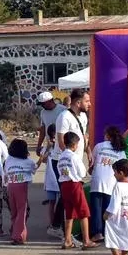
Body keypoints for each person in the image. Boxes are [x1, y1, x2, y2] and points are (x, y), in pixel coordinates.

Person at [50, 89, 90, 234]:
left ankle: (60, 228)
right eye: (87, 101)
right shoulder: (64, 117)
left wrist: (88, 152)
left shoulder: (83, 116)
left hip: (75, 160)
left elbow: (84, 136)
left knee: (68, 194)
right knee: (67, 193)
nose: (89, 104)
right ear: (78, 103)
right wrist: (68, 158)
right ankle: (58, 227)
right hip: (63, 160)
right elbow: (61, 140)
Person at [88, 126, 127, 244]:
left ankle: (97, 233)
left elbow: (92, 163)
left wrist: (91, 170)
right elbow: (124, 167)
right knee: (108, 209)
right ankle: (109, 234)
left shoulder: (99, 146)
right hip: (112, 183)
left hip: (97, 181)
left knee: (96, 209)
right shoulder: (120, 151)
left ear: (108, 136)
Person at [57, 131, 94, 250]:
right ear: (74, 144)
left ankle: (67, 240)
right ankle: (86, 240)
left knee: (69, 213)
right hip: (74, 185)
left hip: (64, 185)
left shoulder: (61, 156)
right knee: (84, 212)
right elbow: (82, 172)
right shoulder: (74, 157)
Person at [4, 139, 37, 245]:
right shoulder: (27, 161)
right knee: (22, 211)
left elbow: (5, 171)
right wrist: (41, 159)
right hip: (21, 186)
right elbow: (34, 168)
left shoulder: (8, 159)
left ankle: (14, 231)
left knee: (14, 211)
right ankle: (18, 236)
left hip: (10, 185)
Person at [36, 91, 65, 157]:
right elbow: (43, 129)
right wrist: (39, 145)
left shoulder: (63, 110)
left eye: (43, 104)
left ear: (49, 101)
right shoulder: (43, 113)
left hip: (62, 145)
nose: (42, 106)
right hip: (50, 146)